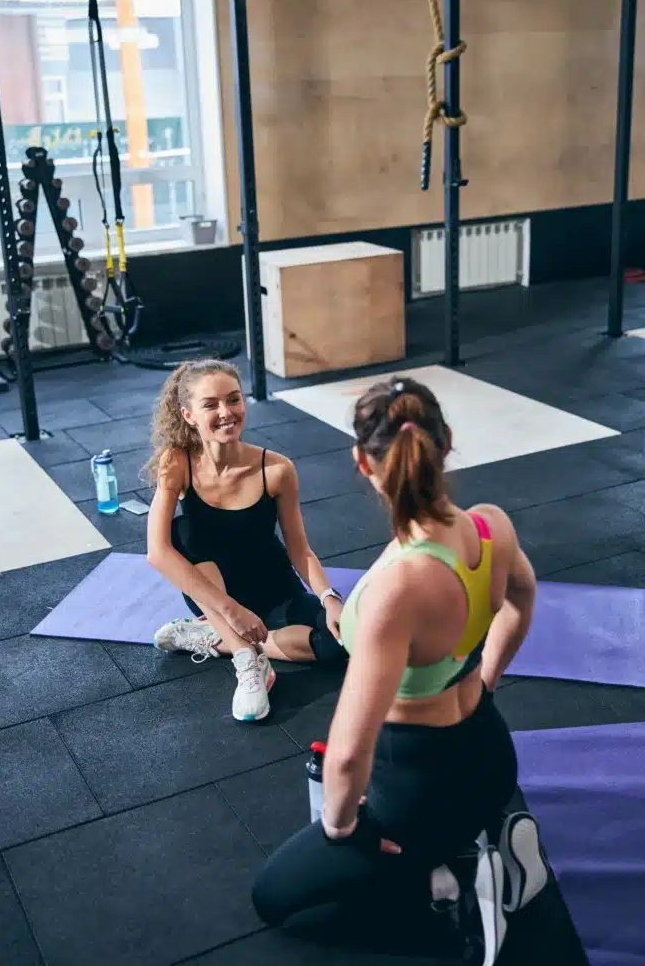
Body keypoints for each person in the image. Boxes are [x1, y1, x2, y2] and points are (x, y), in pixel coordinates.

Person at [252, 376, 543, 963]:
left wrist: (344, 835)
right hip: (492, 755)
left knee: (271, 894)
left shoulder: (397, 587)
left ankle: (457, 890)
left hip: (418, 790)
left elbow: (348, 757)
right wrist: (486, 678)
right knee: (443, 820)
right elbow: (522, 603)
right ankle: (490, 854)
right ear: (447, 440)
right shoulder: (492, 525)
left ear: (362, 462)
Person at [145, 358, 348, 723]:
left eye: (233, 400)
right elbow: (157, 553)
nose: (226, 412)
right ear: (188, 414)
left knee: (341, 645)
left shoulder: (277, 469)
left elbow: (299, 549)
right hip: (213, 592)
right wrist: (231, 611)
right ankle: (245, 659)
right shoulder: (176, 463)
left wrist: (330, 598)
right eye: (210, 404)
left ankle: (213, 639)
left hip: (272, 588)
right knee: (183, 532)